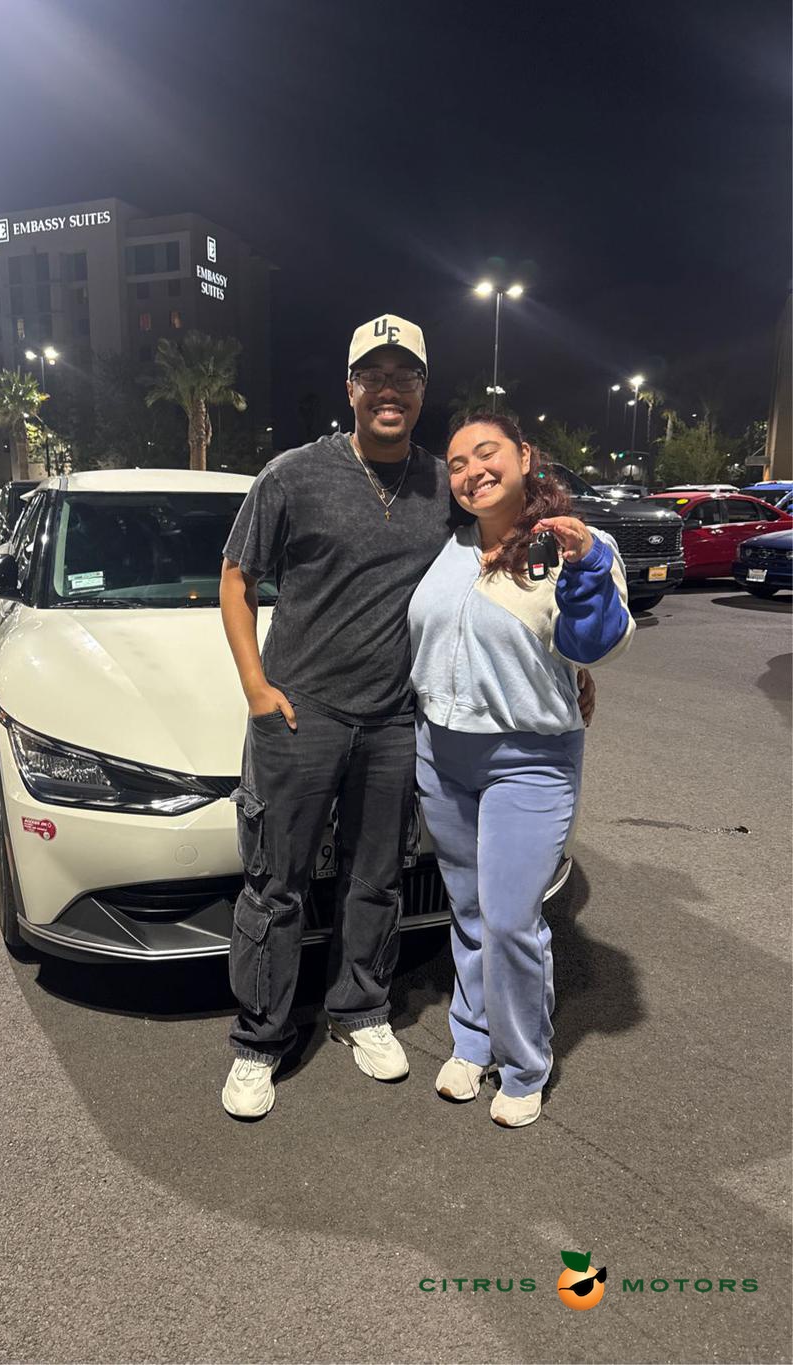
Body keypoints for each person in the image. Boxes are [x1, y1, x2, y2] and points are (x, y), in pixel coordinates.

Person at [217, 317, 595, 1119]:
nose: (389, 389)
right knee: (276, 882)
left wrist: (572, 662)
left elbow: (498, 576)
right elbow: (236, 578)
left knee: (376, 877)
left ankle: (359, 1010)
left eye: (405, 376)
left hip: (397, 719)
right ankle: (260, 1039)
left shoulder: (443, 485)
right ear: (350, 386)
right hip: (300, 710)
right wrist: (255, 685)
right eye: (374, 375)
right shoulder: (292, 475)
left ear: (422, 390)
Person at [409, 412, 634, 1129]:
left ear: (525, 456)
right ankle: (472, 1038)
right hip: (442, 755)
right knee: (470, 909)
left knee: (510, 918)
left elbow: (595, 643)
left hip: (529, 759)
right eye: (457, 463)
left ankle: (523, 1063)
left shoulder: (569, 544)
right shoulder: (449, 550)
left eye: (487, 453)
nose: (472, 471)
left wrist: (588, 569)